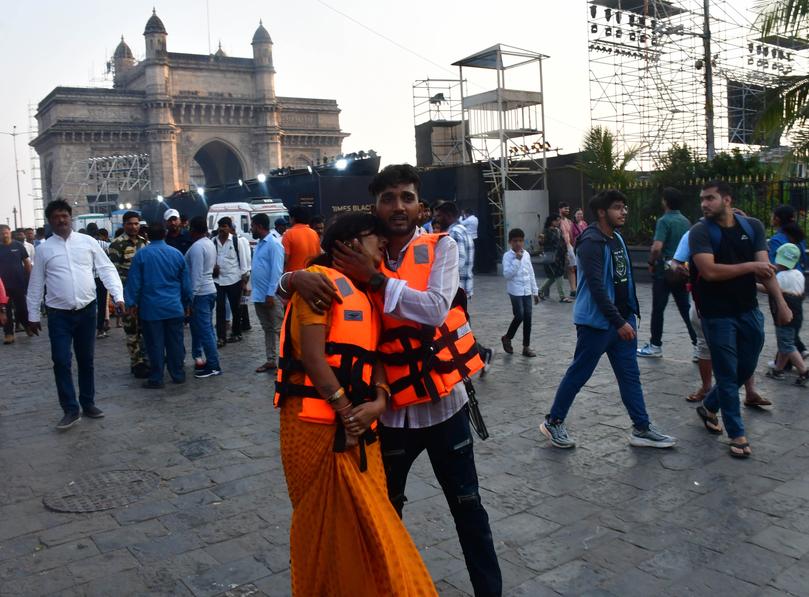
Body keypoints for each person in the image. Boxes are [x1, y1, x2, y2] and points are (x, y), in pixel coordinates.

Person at [284, 164, 502, 596]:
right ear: (375, 206)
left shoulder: (441, 247)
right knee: (383, 513)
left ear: (420, 205)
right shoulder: (361, 252)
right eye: (388, 199)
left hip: (446, 407)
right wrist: (294, 276)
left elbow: (434, 310)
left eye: (406, 197)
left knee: (468, 509)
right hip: (391, 413)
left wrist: (376, 278)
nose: (398, 206)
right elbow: (313, 279)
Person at [274, 212, 437, 597]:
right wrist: (347, 412)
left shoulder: (366, 294)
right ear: (346, 244)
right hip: (315, 427)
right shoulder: (319, 287)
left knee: (373, 523)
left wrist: (379, 402)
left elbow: (374, 358)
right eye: (373, 236)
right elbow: (313, 357)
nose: (382, 242)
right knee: (326, 529)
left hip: (361, 429)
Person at [540, 190, 677, 450]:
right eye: (617, 207)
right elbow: (595, 287)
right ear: (602, 212)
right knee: (579, 373)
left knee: (630, 376)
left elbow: (623, 280)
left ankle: (641, 427)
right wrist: (619, 322)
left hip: (622, 321)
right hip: (598, 324)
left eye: (624, 207)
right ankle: (553, 421)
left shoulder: (617, 238)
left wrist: (630, 315)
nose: (623, 212)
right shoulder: (591, 242)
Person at [689, 181, 791, 458]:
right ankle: (737, 434)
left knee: (745, 366)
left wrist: (780, 304)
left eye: (710, 198)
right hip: (716, 314)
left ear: (727, 200)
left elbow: (766, 270)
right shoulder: (700, 232)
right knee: (726, 370)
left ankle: (710, 406)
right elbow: (709, 271)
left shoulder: (752, 227)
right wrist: (751, 266)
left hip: (748, 310)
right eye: (702, 199)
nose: (704, 204)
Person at [26, 199, 124, 430]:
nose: (61, 220)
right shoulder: (44, 249)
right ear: (50, 221)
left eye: (64, 216)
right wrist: (31, 314)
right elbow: (36, 283)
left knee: (86, 360)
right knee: (61, 360)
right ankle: (70, 409)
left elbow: (106, 268)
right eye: (56, 217)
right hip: (59, 314)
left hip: (87, 311)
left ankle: (88, 403)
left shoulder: (88, 242)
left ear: (70, 217)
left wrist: (118, 295)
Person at [672, 227, 772, 407]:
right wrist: (687, 271)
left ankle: (746, 393)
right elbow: (676, 263)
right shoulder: (697, 232)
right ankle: (708, 390)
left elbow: (762, 268)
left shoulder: (746, 230)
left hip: (741, 303)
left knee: (745, 350)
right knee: (710, 349)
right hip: (708, 303)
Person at [125, 221, 192, 389]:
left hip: (150, 309)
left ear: (147, 235)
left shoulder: (141, 255)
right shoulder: (177, 254)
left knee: (154, 344)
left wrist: (131, 303)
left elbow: (134, 282)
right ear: (164, 235)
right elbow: (186, 283)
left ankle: (157, 377)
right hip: (174, 307)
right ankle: (178, 374)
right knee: (175, 343)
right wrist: (187, 302)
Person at [637, 187, 697, 359]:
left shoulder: (664, 221)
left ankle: (655, 345)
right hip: (681, 269)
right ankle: (698, 346)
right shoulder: (685, 221)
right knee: (685, 308)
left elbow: (657, 247)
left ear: (665, 201)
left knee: (658, 309)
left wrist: (650, 261)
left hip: (664, 270)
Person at [434, 201, 494, 374]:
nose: (436, 219)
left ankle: (482, 355)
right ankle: (481, 355)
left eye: (439, 216)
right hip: (462, 288)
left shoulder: (454, 232)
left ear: (447, 215)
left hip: (455, 291)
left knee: (458, 331)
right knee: (460, 329)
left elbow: (456, 264)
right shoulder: (463, 231)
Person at [108, 211, 150, 377]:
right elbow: (113, 273)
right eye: (130, 224)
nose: (133, 226)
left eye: (136, 223)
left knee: (145, 329)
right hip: (127, 295)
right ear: (124, 225)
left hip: (144, 295)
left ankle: (146, 360)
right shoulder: (116, 245)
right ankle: (136, 363)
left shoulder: (144, 242)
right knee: (132, 331)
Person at [761, 243, 808, 383]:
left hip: (784, 316)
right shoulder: (799, 274)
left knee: (787, 345)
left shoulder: (781, 277)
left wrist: (753, 285)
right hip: (797, 315)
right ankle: (778, 369)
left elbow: (769, 289)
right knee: (785, 343)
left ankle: (803, 370)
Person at [769, 204, 808, 360]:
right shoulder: (798, 236)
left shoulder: (777, 239)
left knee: (783, 325)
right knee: (794, 319)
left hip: (783, 283)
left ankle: (791, 358)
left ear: (777, 219)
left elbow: (774, 264)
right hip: (798, 282)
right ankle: (796, 351)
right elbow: (803, 258)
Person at [185, 216, 222, 378]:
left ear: (193, 230)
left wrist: (190, 297)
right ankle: (211, 361)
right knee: (207, 329)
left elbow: (196, 275)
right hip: (209, 290)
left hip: (201, 293)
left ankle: (213, 365)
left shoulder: (197, 248)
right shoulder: (209, 243)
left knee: (205, 330)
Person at [251, 213, 285, 373]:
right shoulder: (260, 244)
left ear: (258, 226)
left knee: (279, 329)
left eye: (252, 226)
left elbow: (277, 271)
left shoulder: (274, 244)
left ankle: (289, 361)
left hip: (271, 296)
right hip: (259, 295)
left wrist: (270, 294)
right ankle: (271, 360)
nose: (251, 229)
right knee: (268, 329)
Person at [502, 228, 540, 357]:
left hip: (527, 291)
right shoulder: (507, 256)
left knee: (528, 318)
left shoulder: (527, 255)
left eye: (520, 240)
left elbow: (531, 273)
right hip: (515, 291)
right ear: (510, 242)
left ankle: (526, 347)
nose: (518, 243)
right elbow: (507, 275)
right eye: (515, 241)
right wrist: (517, 260)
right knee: (519, 316)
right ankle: (507, 337)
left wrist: (535, 292)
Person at [214, 217, 249, 347]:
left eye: (224, 226)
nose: (222, 229)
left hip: (234, 280)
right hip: (218, 281)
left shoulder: (236, 241)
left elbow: (243, 263)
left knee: (236, 308)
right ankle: (221, 337)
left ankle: (236, 332)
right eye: (220, 226)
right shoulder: (213, 242)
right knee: (220, 309)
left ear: (229, 228)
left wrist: (244, 281)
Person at [0, 224, 32, 344]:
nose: (4, 235)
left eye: (6, 232)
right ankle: (8, 333)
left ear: (10, 232)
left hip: (19, 282)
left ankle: (28, 326)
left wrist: (29, 277)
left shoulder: (18, 246)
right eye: (2, 233)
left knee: (22, 308)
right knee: (5, 310)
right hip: (3, 287)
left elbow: (26, 262)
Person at [539, 214, 571, 303]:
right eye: (556, 220)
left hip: (560, 256)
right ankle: (562, 296)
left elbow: (563, 243)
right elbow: (541, 243)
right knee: (558, 275)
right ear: (551, 221)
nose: (558, 222)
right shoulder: (546, 231)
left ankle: (540, 291)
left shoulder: (558, 230)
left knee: (553, 277)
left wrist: (566, 254)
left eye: (559, 220)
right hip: (552, 256)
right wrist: (541, 240)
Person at [282, 205, 321, 272]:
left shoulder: (288, 234)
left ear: (293, 218)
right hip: (313, 274)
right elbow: (318, 256)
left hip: (295, 277)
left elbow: (284, 260)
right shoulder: (314, 233)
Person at [558, 201, 577, 297]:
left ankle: (573, 290)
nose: (567, 210)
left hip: (569, 247)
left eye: (568, 209)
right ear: (560, 209)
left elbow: (571, 235)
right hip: (560, 248)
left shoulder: (569, 221)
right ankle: (544, 289)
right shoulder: (556, 220)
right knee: (558, 271)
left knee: (572, 268)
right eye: (565, 208)